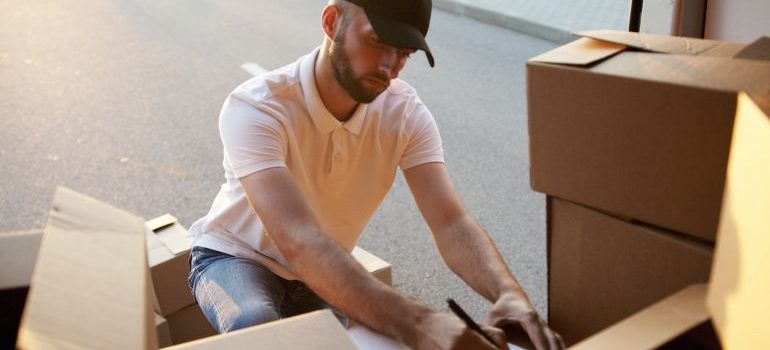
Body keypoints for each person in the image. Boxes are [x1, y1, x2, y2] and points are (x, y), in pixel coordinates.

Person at [187, 0, 564, 349]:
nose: (391, 65)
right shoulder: (257, 106)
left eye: (405, 52)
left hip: (322, 271)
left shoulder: (405, 113)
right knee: (263, 329)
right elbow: (299, 240)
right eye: (378, 41)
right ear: (332, 22)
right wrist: (422, 323)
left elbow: (451, 223)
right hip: (235, 257)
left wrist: (509, 293)